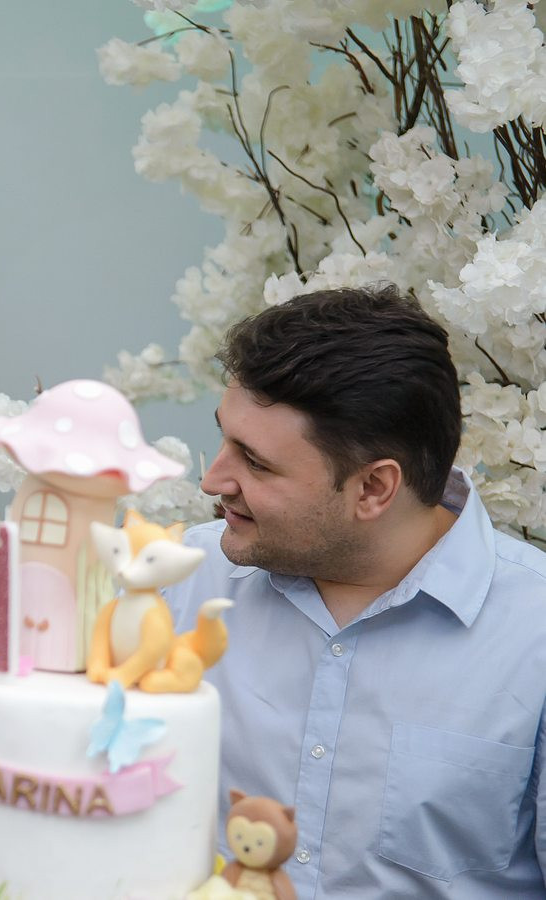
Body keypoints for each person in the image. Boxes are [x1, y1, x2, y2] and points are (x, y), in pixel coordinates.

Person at [164, 284, 546, 898]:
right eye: (224, 438)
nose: (213, 479)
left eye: (255, 462)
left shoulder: (533, 637)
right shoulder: (181, 579)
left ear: (373, 488)